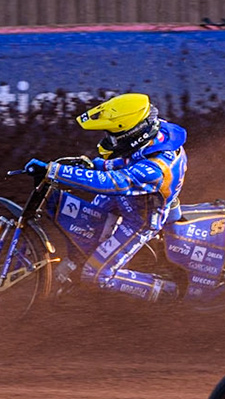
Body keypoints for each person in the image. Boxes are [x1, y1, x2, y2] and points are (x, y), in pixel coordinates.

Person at [25, 93, 187, 302]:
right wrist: (91, 164)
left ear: (132, 135)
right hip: (126, 196)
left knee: (96, 276)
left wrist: (57, 171)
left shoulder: (156, 169)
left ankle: (167, 291)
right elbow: (126, 162)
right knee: (86, 230)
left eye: (113, 136)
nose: (108, 140)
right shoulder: (154, 129)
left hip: (140, 218)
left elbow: (112, 183)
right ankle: (82, 264)